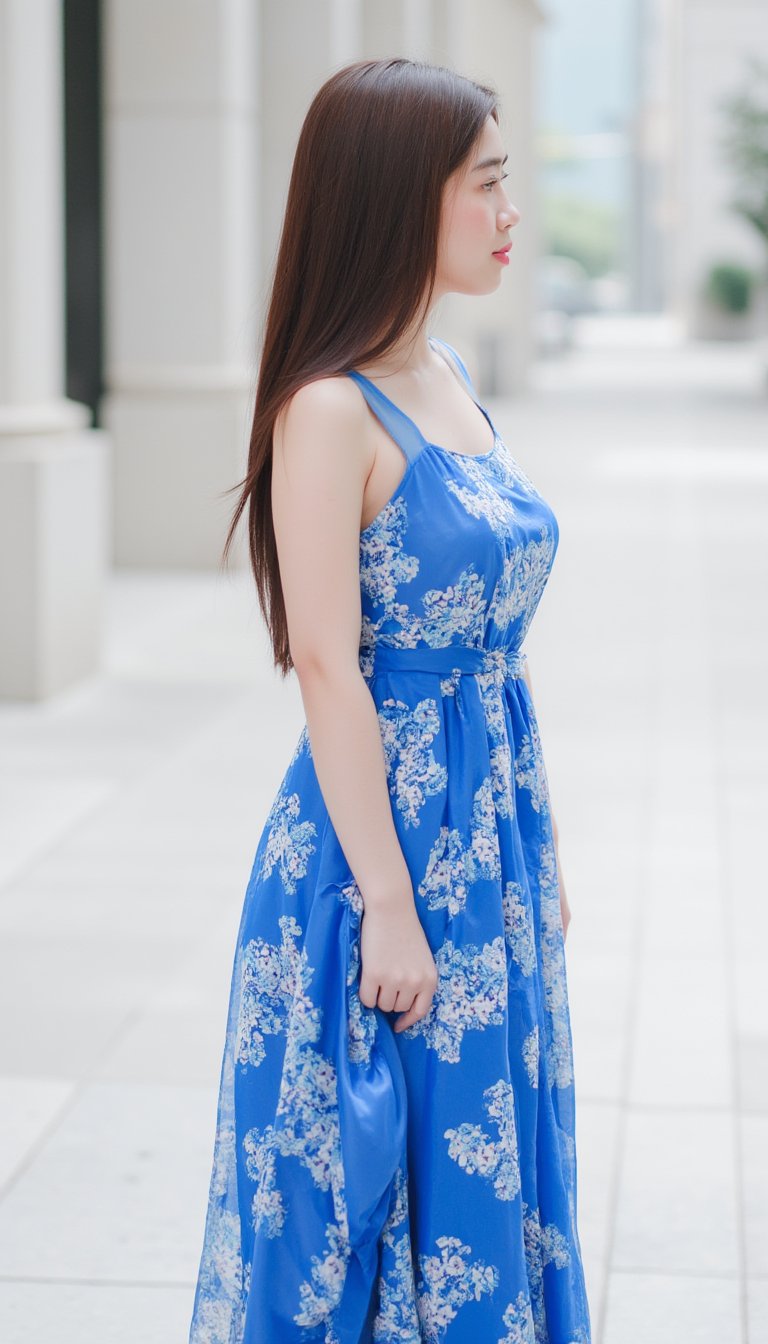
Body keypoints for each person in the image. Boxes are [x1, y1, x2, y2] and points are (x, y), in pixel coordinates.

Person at [188, 57, 592, 1344]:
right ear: (397, 200)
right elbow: (327, 665)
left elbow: (496, 659)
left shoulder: (449, 374)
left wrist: (542, 844)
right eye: (485, 186)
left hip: (491, 830)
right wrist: (390, 909)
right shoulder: (329, 409)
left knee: (488, 1167)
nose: (508, 212)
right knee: (366, 1201)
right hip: (383, 852)